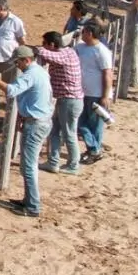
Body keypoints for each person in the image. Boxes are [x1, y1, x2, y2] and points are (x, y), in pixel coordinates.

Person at [0, 46, 53, 218]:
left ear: (26, 60)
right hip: (39, 120)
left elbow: (11, 90)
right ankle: (29, 200)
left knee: (28, 166)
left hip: (35, 123)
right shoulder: (39, 72)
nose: (17, 65)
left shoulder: (30, 74)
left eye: (18, 62)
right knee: (28, 165)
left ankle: (33, 206)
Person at [36, 31, 84, 174]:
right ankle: (53, 162)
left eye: (44, 43)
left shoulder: (63, 55)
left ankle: (73, 165)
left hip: (69, 100)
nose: (43, 45)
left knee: (69, 133)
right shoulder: (69, 51)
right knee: (55, 130)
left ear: (51, 44)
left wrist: (37, 49)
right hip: (66, 99)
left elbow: (44, 53)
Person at [75, 22, 114, 165]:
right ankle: (94, 149)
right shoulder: (80, 47)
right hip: (83, 92)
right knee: (85, 123)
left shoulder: (102, 51)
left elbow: (108, 74)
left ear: (90, 33)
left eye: (84, 32)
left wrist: (105, 95)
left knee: (90, 124)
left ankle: (94, 149)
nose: (82, 34)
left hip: (96, 94)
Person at [0, 0, 26, 82]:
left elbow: (22, 40)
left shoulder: (15, 21)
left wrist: (20, 57)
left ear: (1, 8)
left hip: (9, 59)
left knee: (9, 85)